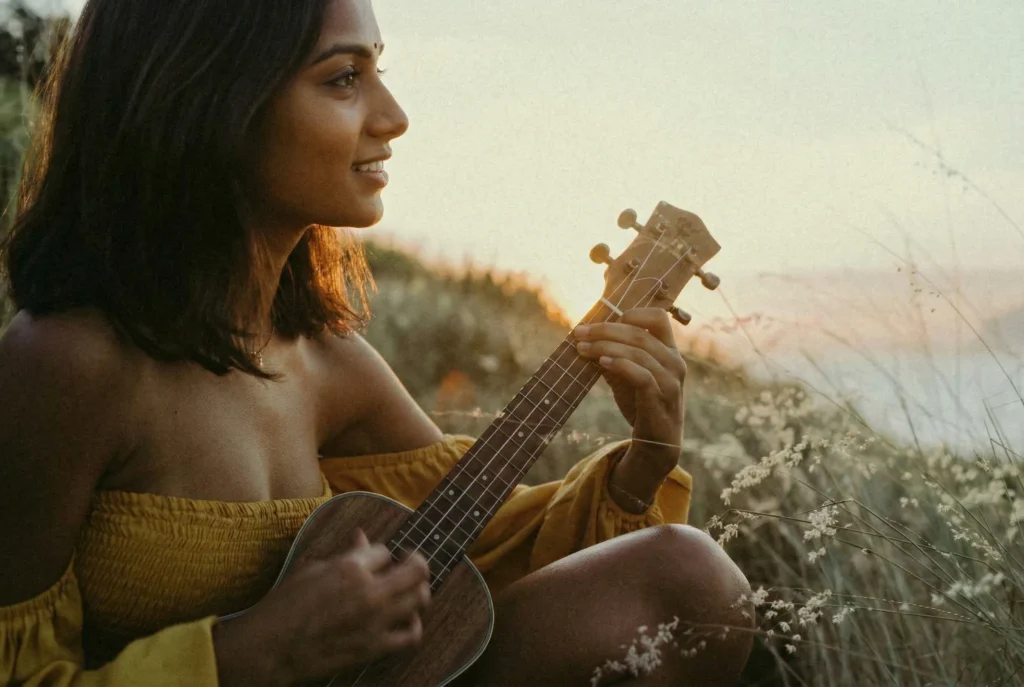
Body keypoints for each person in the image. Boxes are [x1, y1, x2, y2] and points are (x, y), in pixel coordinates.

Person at [0, 0, 754, 684]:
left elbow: (482, 555)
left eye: (377, 70)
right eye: (342, 79)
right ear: (209, 100)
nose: (392, 116)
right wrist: (252, 650)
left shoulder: (332, 366)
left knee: (690, 577)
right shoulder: (67, 365)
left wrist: (644, 463)